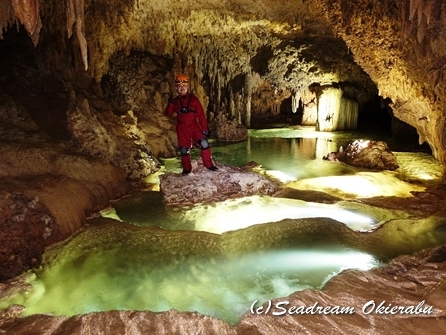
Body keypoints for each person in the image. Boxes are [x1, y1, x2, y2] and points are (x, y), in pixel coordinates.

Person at [165, 73, 218, 175]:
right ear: (176, 88)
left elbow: (201, 114)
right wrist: (170, 103)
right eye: (180, 87)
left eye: (184, 86)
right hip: (181, 128)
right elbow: (168, 114)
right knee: (184, 150)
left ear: (187, 87)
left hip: (193, 126)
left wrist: (204, 128)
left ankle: (209, 165)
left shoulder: (194, 99)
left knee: (204, 143)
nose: (182, 88)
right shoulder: (175, 101)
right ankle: (187, 169)